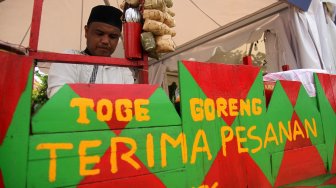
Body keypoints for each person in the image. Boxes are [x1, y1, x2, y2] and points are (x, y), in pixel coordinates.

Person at [47, 5, 134, 98]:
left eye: (112, 37)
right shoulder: (68, 59)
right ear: (86, 31)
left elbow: (132, 103)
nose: (105, 41)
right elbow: (59, 97)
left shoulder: (123, 70)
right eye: (99, 34)